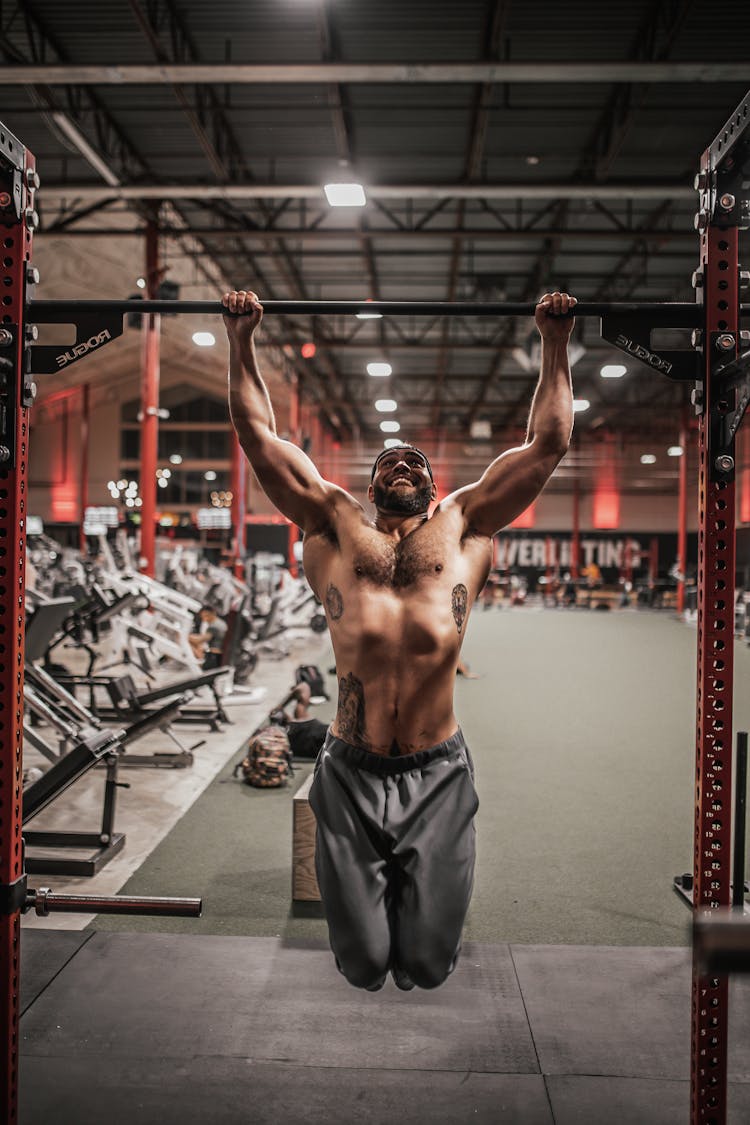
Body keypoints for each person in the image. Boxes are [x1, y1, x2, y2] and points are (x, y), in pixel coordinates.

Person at [223, 287, 576, 992]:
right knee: (361, 965)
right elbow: (258, 438)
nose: (403, 464)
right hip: (348, 769)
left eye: (415, 460)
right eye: (390, 460)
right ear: (372, 480)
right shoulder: (330, 523)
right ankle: (376, 910)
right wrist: (240, 339)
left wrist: (554, 340)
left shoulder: (467, 526)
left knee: (424, 963)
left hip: (437, 769)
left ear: (434, 480)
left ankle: (424, 898)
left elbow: (549, 444)